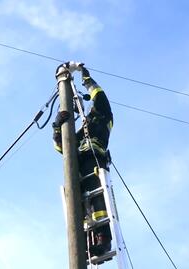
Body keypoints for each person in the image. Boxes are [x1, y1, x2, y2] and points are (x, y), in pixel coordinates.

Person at [52, 63, 114, 257]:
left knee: (98, 202)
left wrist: (86, 79)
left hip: (95, 164)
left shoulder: (102, 119)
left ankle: (103, 241)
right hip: (78, 168)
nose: (86, 116)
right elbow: (62, 148)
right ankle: (85, 244)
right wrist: (57, 127)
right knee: (79, 206)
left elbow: (100, 98)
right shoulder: (79, 133)